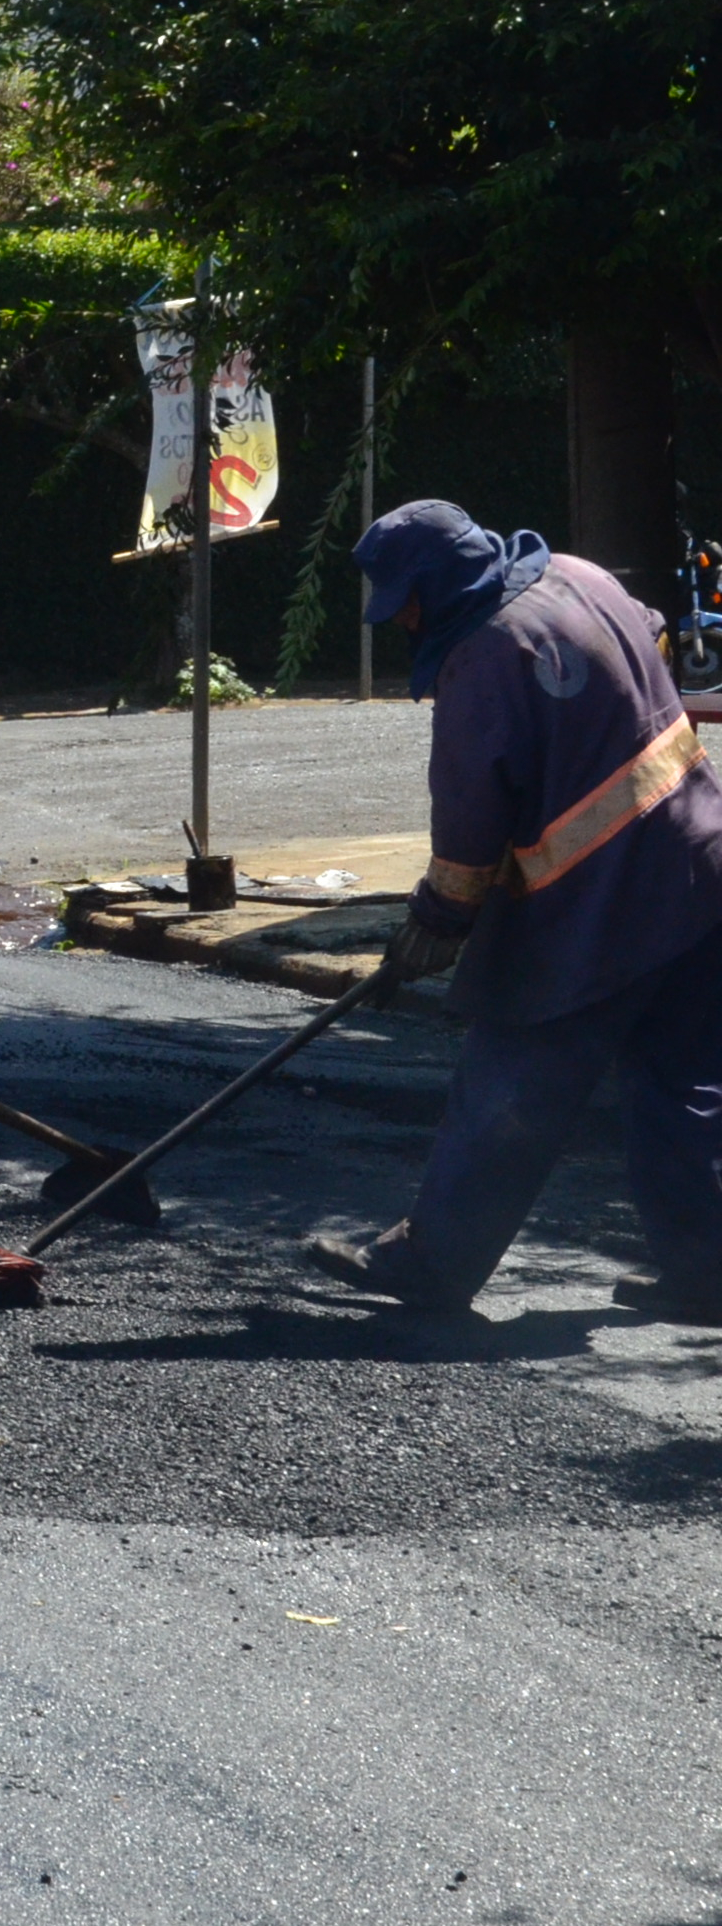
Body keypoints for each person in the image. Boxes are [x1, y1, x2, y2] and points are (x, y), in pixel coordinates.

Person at [309, 500, 722, 1319]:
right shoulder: (579, 575)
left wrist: (434, 925)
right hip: (702, 865)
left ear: (437, 581)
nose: (406, 624)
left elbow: (468, 834)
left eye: (409, 604)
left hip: (600, 914)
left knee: (511, 1084)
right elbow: (653, 635)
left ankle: (433, 1264)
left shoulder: (481, 659)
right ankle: (710, 1275)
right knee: (682, 1089)